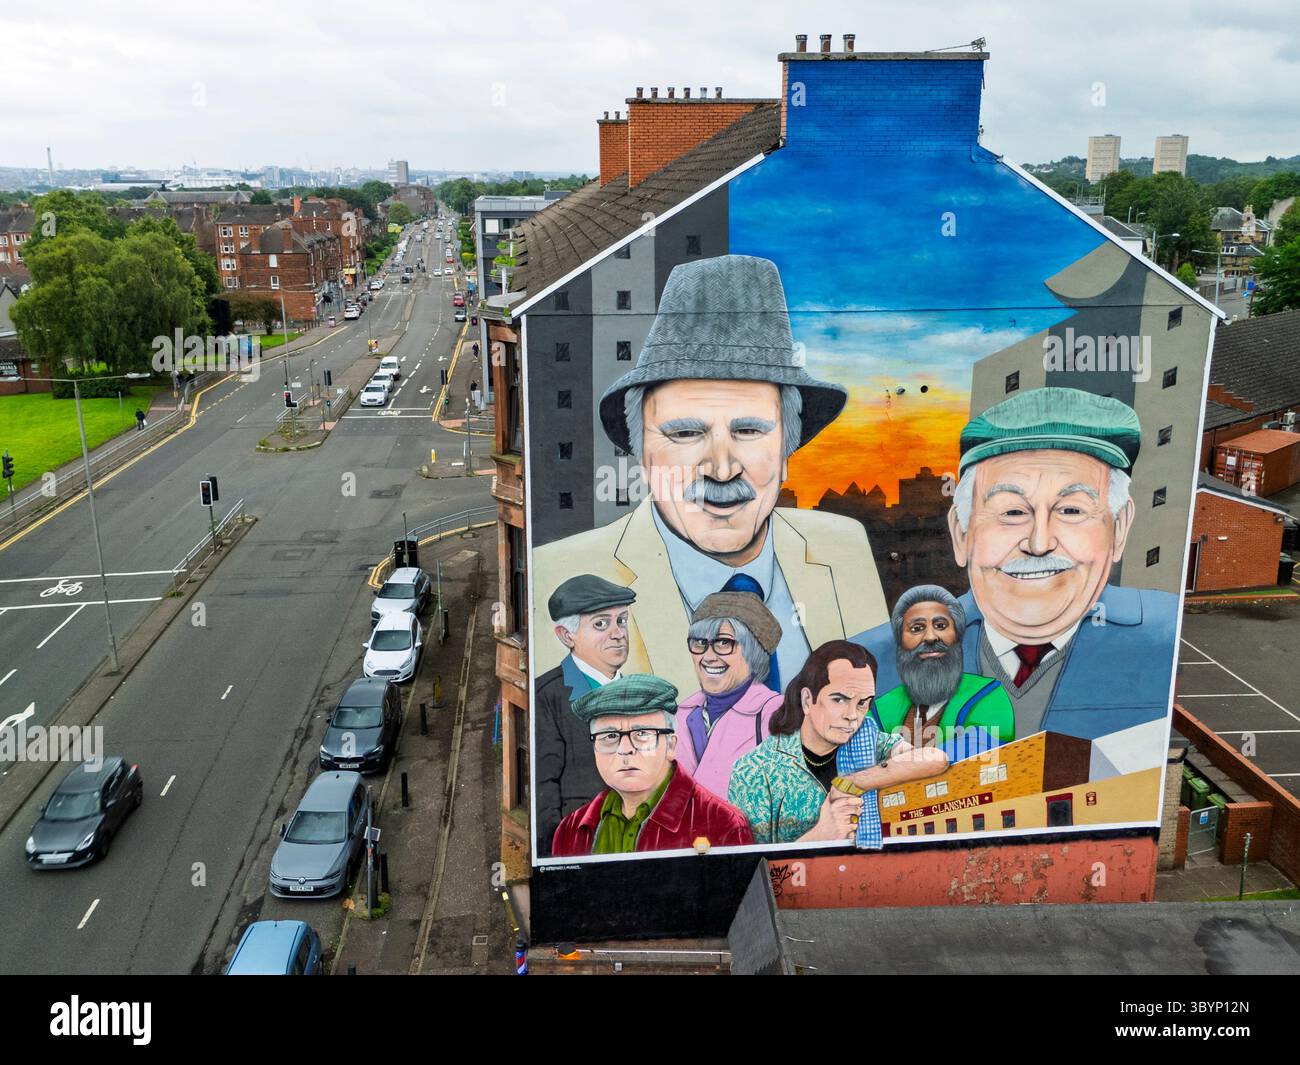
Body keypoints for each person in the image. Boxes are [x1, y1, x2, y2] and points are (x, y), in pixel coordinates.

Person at [532, 255, 888, 698]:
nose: (722, 468)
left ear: (786, 451)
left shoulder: (845, 546)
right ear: (643, 453)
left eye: (749, 430)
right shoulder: (556, 573)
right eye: (685, 432)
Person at [853, 386, 1179, 743]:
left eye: (1071, 510)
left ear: (1119, 528)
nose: (1039, 543)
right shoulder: (865, 665)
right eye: (1011, 511)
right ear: (961, 533)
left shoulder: (1167, 638)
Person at [727, 641, 947, 847]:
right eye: (839, 699)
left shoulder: (867, 740)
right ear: (807, 700)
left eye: (862, 703)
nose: (852, 716)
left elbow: (935, 759)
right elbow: (753, 871)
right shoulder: (754, 771)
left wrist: (853, 782)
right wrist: (822, 834)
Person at [550, 675, 754, 857]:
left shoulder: (722, 824)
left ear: (672, 745)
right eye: (610, 736)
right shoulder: (571, 830)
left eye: (642, 734)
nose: (625, 749)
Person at [534, 575, 635, 854]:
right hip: (584, 844)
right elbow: (544, 790)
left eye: (622, 620)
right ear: (567, 636)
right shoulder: (547, 696)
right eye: (601, 624)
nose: (618, 633)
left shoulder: (640, 694)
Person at [862, 585, 1012, 762]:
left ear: (956, 634)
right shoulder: (881, 708)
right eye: (917, 628)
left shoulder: (988, 696)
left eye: (941, 625)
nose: (931, 637)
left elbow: (972, 755)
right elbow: (858, 760)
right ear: (900, 640)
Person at [675, 591, 784, 801]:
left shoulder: (775, 712)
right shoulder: (680, 713)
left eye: (723, 643)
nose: (707, 657)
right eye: (699, 643)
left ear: (754, 650)